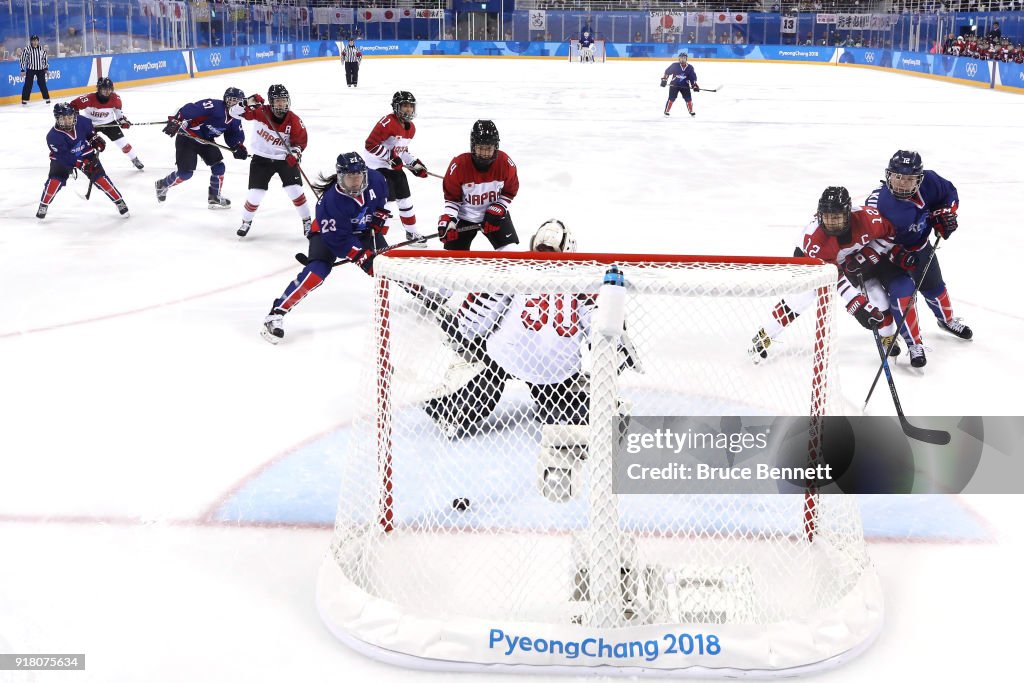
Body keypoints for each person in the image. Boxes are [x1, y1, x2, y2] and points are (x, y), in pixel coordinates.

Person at [421, 220, 642, 439]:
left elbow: (473, 323)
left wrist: (458, 330)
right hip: (556, 371)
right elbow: (602, 328)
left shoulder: (516, 271)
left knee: (485, 371)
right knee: (556, 398)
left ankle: (451, 409)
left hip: (507, 357)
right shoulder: (582, 284)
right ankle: (592, 407)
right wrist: (615, 348)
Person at [750, 186, 905, 363]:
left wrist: (870, 254)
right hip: (810, 261)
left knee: (878, 297)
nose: (831, 222)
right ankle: (764, 335)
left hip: (847, 259)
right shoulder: (816, 241)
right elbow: (833, 277)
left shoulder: (868, 220)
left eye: (837, 217)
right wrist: (856, 303)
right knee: (799, 300)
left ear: (848, 214)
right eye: (827, 217)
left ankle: (888, 337)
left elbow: (890, 234)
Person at [260, 153, 391, 344]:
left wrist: (379, 217)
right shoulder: (329, 203)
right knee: (317, 272)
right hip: (327, 235)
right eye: (349, 177)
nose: (355, 182)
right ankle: (276, 313)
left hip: (363, 230)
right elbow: (338, 240)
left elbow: (381, 200)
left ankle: (425, 294)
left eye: (358, 176)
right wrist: (361, 257)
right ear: (340, 176)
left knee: (391, 263)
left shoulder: (377, 179)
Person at [864, 151, 973, 368]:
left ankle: (947, 321)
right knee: (903, 297)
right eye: (898, 177)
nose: (903, 183)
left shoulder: (931, 182)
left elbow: (949, 194)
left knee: (935, 287)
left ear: (919, 178)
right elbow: (871, 243)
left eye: (909, 179)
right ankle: (914, 344)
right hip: (890, 259)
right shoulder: (878, 204)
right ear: (888, 176)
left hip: (920, 247)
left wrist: (945, 214)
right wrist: (896, 254)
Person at [228, 85, 311, 238]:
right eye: (278, 101)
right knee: (255, 194)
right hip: (261, 159)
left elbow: (300, 142)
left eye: (284, 100)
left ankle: (307, 221)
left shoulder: (294, 120)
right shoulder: (260, 112)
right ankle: (246, 221)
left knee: (295, 190)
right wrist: (247, 101)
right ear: (271, 102)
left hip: (284, 159)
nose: (282, 104)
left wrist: (295, 153)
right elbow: (233, 113)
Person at [155, 87, 247, 209]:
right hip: (188, 137)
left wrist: (238, 145)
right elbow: (189, 109)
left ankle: (214, 197)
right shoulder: (214, 106)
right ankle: (162, 184)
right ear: (225, 100)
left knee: (219, 167)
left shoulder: (236, 118)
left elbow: (233, 135)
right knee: (185, 174)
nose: (234, 104)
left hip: (206, 141)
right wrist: (177, 119)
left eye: (238, 101)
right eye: (232, 100)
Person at [436, 120, 520, 251]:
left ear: (496, 147)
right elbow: (452, 199)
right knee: (452, 261)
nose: (485, 153)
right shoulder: (458, 165)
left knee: (510, 253)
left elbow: (510, 191)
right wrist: (450, 219)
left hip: (495, 217)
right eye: (481, 148)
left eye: (489, 148)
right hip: (464, 218)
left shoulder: (505, 163)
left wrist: (499, 206)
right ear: (473, 146)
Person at [37, 103, 128, 219]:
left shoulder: (83, 121)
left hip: (85, 153)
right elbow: (64, 157)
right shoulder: (53, 136)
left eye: (70, 118)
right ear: (57, 119)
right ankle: (44, 204)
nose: (68, 121)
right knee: (54, 181)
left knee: (101, 179)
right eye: (63, 119)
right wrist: (81, 164)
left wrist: (94, 139)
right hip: (62, 159)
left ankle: (119, 201)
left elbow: (90, 134)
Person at [362, 91, 429, 244]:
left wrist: (414, 164)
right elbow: (370, 145)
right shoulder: (387, 122)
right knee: (387, 201)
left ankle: (411, 233)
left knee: (405, 199)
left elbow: (401, 151)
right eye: (405, 106)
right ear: (396, 106)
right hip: (375, 167)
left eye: (411, 106)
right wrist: (390, 157)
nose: (408, 109)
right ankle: (377, 237)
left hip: (391, 166)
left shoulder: (411, 128)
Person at [70, 77, 144, 170]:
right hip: (90, 125)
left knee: (124, 144)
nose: (107, 92)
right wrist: (78, 120)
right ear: (99, 89)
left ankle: (134, 159)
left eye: (109, 89)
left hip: (109, 123)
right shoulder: (88, 99)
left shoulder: (116, 99)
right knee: (80, 145)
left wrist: (123, 121)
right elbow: (73, 105)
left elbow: (118, 114)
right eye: (104, 89)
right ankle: (73, 162)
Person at [660, 52, 699, 117]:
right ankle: (667, 111)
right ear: (679, 59)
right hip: (674, 85)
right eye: (681, 58)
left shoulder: (690, 67)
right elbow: (667, 72)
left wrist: (694, 85)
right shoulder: (674, 65)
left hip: (685, 86)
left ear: (686, 59)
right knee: (671, 98)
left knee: (688, 99)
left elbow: (692, 78)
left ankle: (691, 111)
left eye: (684, 58)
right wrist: (664, 80)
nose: (682, 59)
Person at [20, 35, 50, 105]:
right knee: (28, 84)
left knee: (42, 84)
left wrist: (46, 69)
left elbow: (45, 59)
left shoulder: (42, 49)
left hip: (41, 69)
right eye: (33, 40)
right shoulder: (27, 49)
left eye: (36, 40)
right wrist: (22, 70)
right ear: (31, 41)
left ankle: (47, 98)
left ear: (38, 41)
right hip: (31, 69)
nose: (35, 42)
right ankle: (25, 99)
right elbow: (22, 59)